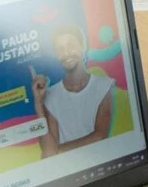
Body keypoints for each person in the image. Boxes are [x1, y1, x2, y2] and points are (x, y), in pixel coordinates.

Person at [31, 25, 114, 157]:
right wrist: (38, 103)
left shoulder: (103, 85)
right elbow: (48, 151)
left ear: (82, 47)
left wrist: (58, 150)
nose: (66, 53)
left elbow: (100, 136)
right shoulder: (50, 96)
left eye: (71, 45)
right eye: (60, 49)